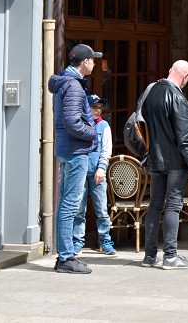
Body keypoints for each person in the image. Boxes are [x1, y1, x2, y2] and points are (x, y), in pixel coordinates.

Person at [142, 60, 188, 270]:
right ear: (185, 76)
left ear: (170, 70)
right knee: (173, 206)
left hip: (155, 158)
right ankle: (170, 256)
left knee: (155, 205)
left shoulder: (150, 91)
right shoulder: (177, 97)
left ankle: (149, 256)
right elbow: (185, 138)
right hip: (175, 161)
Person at [49, 43, 101, 274]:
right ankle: (66, 257)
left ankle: (66, 255)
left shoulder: (66, 83)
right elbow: (72, 122)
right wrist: (93, 133)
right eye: (92, 59)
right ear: (84, 62)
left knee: (66, 203)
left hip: (68, 149)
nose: (95, 63)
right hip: (75, 150)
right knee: (70, 203)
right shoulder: (74, 86)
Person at [73, 95, 115, 256]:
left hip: (97, 172)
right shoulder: (80, 125)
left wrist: (102, 168)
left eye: (99, 108)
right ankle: (77, 241)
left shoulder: (103, 126)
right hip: (80, 172)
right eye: (94, 107)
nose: (97, 110)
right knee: (78, 209)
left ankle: (105, 240)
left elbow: (106, 149)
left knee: (102, 209)